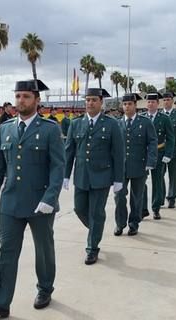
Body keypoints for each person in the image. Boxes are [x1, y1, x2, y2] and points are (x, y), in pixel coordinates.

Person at [0, 79, 65, 318]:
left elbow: (58, 168)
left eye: (26, 96)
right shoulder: (6, 127)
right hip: (11, 202)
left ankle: (45, 289)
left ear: (37, 100)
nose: (21, 101)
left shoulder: (49, 129)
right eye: (18, 96)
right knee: (6, 250)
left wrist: (50, 198)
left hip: (40, 203)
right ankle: (0, 302)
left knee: (44, 250)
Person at [64, 88, 124, 265]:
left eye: (94, 100)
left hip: (102, 176)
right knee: (79, 208)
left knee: (96, 212)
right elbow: (69, 152)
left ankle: (92, 248)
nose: (90, 103)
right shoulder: (76, 124)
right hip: (82, 176)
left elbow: (118, 154)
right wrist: (65, 175)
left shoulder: (111, 124)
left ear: (101, 102)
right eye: (87, 100)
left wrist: (118, 179)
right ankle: (95, 229)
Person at [114, 93, 157, 236]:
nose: (126, 107)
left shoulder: (145, 122)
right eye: (124, 104)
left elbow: (152, 142)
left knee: (136, 197)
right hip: (120, 168)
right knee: (119, 196)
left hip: (140, 165)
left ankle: (134, 223)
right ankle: (120, 223)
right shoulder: (117, 123)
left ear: (135, 105)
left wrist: (151, 161)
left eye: (129, 104)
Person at [142, 92, 175, 220]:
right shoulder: (142, 118)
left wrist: (168, 154)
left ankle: (156, 208)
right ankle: (142, 209)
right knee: (141, 183)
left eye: (153, 102)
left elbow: (171, 138)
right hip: (143, 155)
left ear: (158, 104)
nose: (150, 104)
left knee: (157, 182)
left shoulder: (164, 118)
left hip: (159, 153)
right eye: (149, 102)